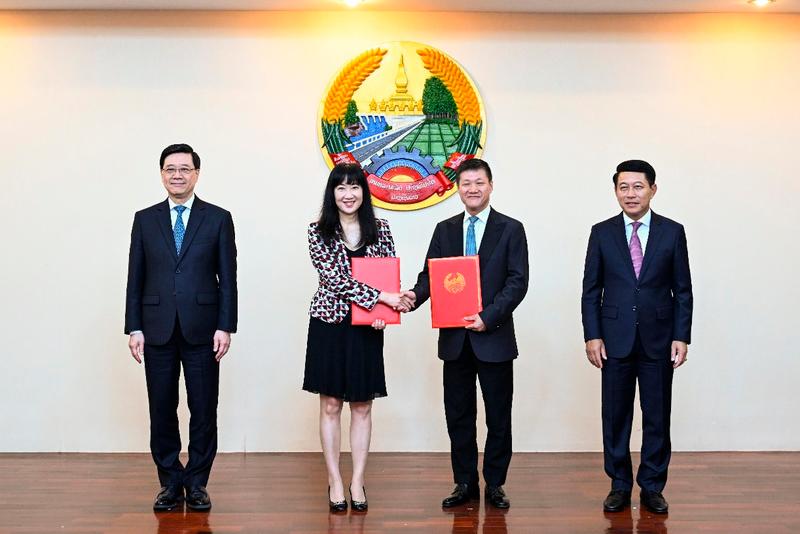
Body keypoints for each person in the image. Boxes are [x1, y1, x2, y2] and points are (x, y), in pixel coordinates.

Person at [402, 158, 529, 509]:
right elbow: (430, 275)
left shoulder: (511, 229)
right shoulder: (445, 229)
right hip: (455, 340)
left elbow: (518, 282)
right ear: (458, 188)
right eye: (466, 183)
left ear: (490, 185)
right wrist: (413, 297)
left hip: (494, 337)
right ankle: (464, 482)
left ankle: (496, 484)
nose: (472, 189)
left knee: (498, 415)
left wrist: (488, 317)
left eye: (479, 183)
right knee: (458, 414)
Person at [124, 143, 237, 512]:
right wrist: (134, 327)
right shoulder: (144, 219)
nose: (177, 174)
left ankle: (198, 483)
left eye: (185, 169)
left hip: (204, 330)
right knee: (161, 408)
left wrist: (225, 326)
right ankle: (170, 482)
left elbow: (228, 279)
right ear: (161, 174)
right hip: (155, 328)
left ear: (197, 174)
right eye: (170, 169)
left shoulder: (218, 218)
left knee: (204, 408)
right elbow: (135, 278)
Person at [581, 159, 693, 514]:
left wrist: (681, 335)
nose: (630, 194)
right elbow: (590, 290)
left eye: (638, 187)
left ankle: (652, 486)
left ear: (653, 190)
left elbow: (683, 290)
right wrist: (593, 336)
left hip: (660, 338)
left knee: (658, 415)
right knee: (615, 416)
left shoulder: (672, 232)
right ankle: (618, 484)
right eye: (623, 187)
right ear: (616, 191)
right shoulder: (601, 232)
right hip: (613, 340)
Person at [303, 163, 407, 512]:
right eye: (341, 188)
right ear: (332, 194)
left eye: (355, 187)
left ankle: (358, 480)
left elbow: (388, 276)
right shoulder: (317, 232)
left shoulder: (382, 228)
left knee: (362, 404)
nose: (348, 195)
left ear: (365, 192)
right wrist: (381, 299)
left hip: (367, 327)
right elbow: (334, 280)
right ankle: (334, 479)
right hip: (329, 325)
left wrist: (384, 312)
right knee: (331, 404)